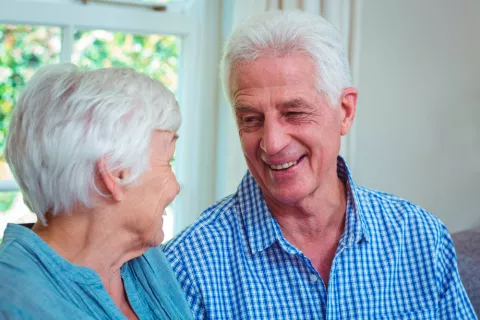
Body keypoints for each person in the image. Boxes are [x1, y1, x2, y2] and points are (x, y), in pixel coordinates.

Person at [162, 10, 476, 319]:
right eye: (250, 119)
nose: (272, 143)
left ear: (346, 110)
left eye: (294, 113)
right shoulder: (186, 268)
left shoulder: (421, 238)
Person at [0, 64, 192, 320]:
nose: (176, 186)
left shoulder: (144, 257)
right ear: (114, 173)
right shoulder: (15, 303)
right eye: (167, 161)